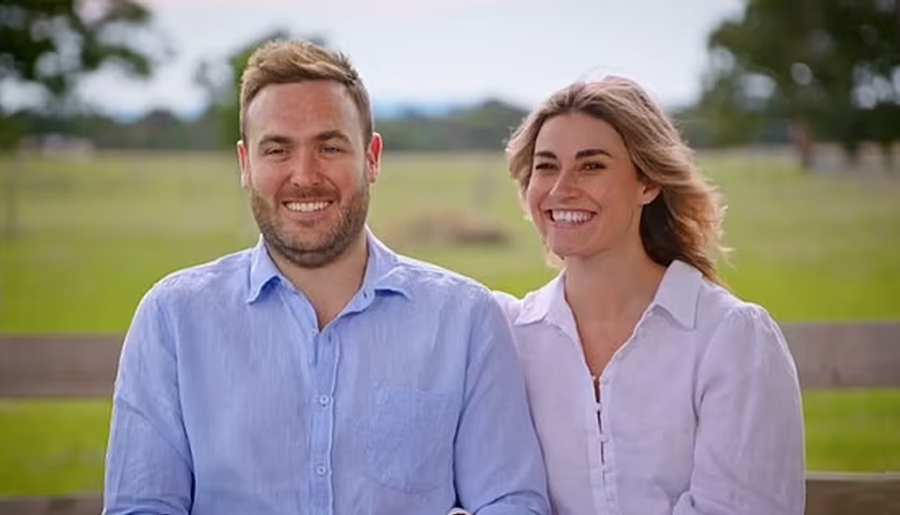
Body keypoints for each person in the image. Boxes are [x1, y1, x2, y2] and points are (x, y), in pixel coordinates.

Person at [103, 39, 550, 515]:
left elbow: (512, 504)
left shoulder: (466, 320)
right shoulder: (173, 318)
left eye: (330, 146)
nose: (305, 175)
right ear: (245, 164)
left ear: (372, 157)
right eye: (277, 149)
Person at [495, 77, 806, 515]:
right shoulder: (510, 337)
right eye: (546, 166)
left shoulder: (731, 338)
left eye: (591, 166)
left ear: (648, 183)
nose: (561, 187)